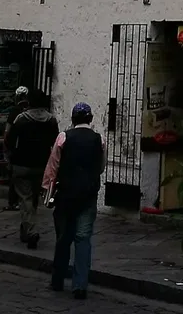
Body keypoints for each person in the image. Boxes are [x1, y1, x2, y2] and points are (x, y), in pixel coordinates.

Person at [43, 101, 104, 300]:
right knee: (83, 238)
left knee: (63, 238)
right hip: (88, 195)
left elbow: (53, 168)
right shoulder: (98, 140)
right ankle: (80, 285)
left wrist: (48, 191)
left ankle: (57, 280)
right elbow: (101, 167)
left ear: (72, 119)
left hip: (66, 195)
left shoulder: (63, 137)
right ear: (91, 119)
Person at [4, 89, 57, 249]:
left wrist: (10, 158)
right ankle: (26, 228)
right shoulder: (51, 120)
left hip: (21, 164)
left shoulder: (22, 119)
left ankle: (31, 230)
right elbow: (55, 144)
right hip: (41, 165)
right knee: (32, 198)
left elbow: (10, 140)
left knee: (26, 199)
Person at [4, 85, 30, 210]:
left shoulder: (14, 111)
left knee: (13, 176)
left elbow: (7, 131)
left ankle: (12, 202)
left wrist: (6, 145)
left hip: (14, 147)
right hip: (26, 148)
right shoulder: (29, 110)